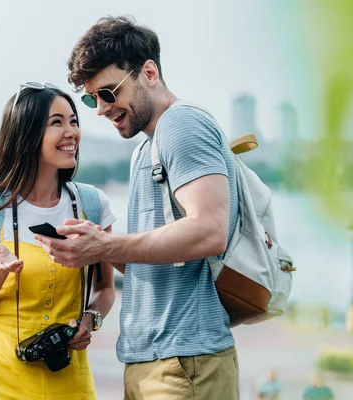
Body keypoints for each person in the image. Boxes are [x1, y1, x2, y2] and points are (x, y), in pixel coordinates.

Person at [34, 16, 240, 399]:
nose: (99, 109)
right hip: (154, 361)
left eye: (108, 92)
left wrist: (106, 247)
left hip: (185, 361)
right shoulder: (147, 147)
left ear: (149, 72)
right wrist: (90, 247)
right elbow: (156, 258)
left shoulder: (182, 125)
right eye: (91, 98)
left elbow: (210, 230)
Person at [0, 83, 116, 399]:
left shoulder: (93, 205)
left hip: (70, 382)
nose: (71, 131)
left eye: (73, 121)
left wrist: (90, 320)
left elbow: (106, 288)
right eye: (56, 122)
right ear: (26, 134)